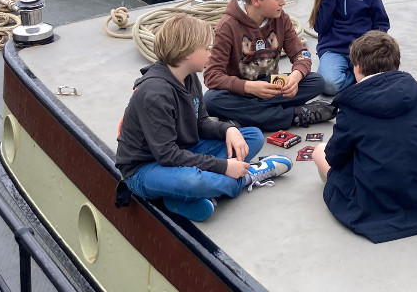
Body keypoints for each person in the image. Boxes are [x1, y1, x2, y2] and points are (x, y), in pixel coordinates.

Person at [115, 14, 292, 222]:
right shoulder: (155, 95)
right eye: (207, 48)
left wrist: (228, 130)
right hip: (146, 168)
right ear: (187, 52)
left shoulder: (189, 77)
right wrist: (224, 166)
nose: (211, 54)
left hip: (185, 150)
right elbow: (167, 156)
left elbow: (201, 123)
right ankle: (246, 176)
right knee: (192, 181)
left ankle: (188, 198)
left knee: (252, 136)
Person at [313, 31, 417, 243]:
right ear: (395, 63)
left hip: (375, 203)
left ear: (358, 68)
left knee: (320, 152)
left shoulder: (351, 105)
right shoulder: (416, 91)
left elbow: (336, 157)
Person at [204, 0, 334, 131]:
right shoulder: (227, 26)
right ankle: (293, 115)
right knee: (211, 100)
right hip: (241, 92)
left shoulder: (282, 19)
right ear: (256, 0)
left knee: (317, 82)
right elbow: (211, 76)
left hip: (272, 87)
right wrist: (248, 87)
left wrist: (296, 75)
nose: (283, 2)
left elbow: (301, 54)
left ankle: (244, 116)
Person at [309, 0, 390, 95]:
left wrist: (371, 48)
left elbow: (382, 24)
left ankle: (355, 75)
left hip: (363, 51)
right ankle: (357, 78)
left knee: (384, 80)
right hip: (334, 50)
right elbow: (320, 27)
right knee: (328, 85)